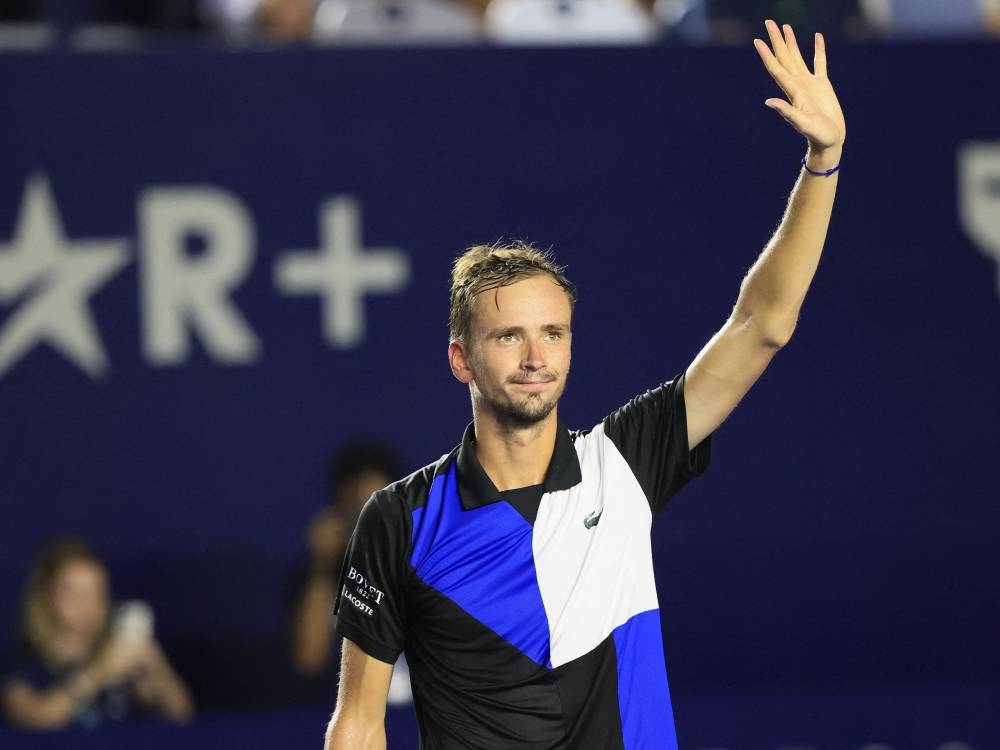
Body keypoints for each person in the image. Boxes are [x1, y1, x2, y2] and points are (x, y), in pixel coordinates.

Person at [325, 19, 846, 749]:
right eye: (509, 335)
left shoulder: (625, 462)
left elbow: (764, 322)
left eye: (555, 333)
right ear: (461, 360)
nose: (537, 356)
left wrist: (824, 159)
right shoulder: (399, 519)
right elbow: (359, 722)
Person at [1, 537, 194, 730]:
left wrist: (156, 666)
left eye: (96, 593)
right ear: (46, 596)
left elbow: (181, 715)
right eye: (74, 593)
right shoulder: (21, 661)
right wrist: (99, 673)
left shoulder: (119, 657)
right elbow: (35, 719)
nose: (86, 604)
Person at [290, 442, 402, 680]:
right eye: (356, 512)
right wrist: (321, 566)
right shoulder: (318, 578)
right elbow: (309, 659)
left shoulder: (429, 567)